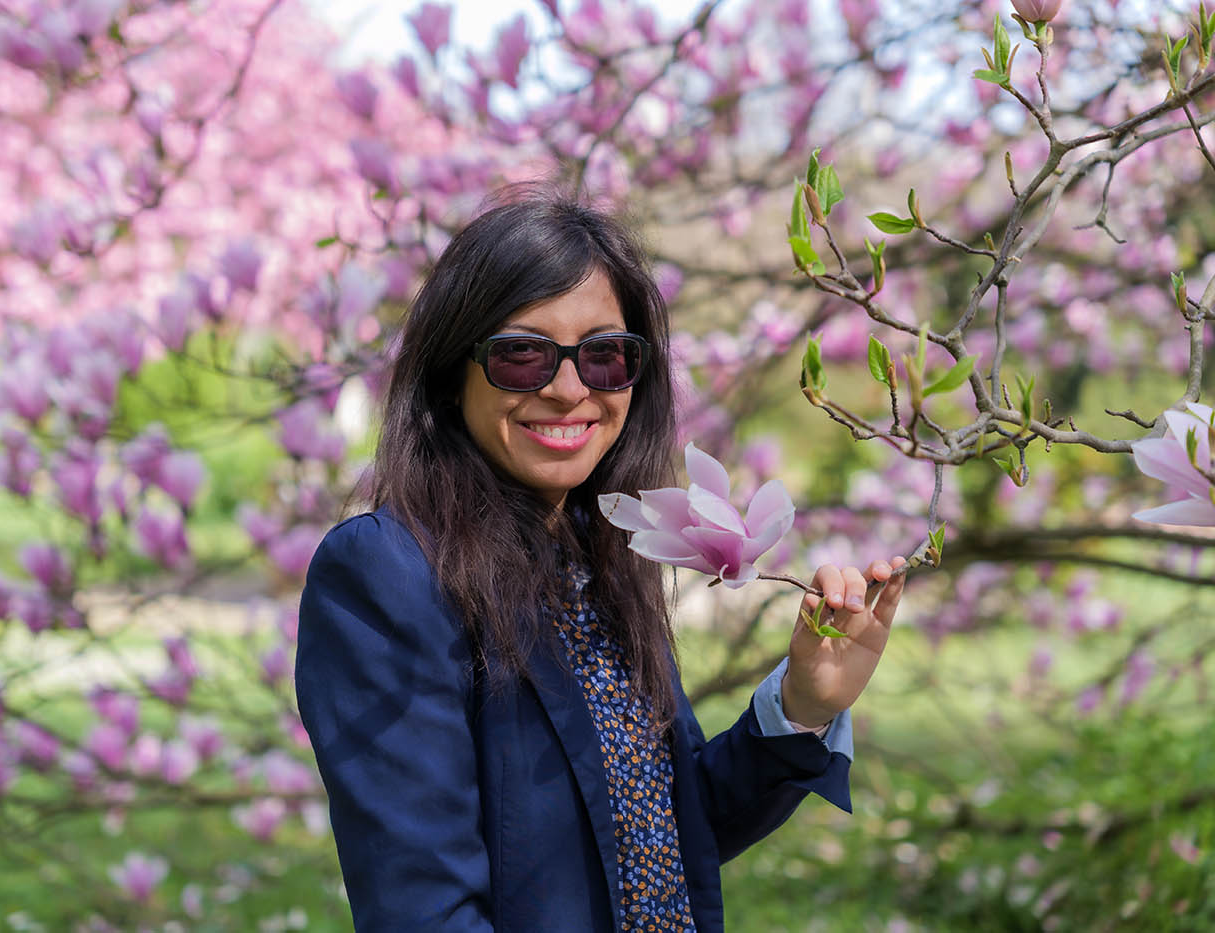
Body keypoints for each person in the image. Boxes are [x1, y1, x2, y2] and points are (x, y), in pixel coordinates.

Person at [295, 187, 907, 933]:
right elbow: (423, 909)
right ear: (454, 373)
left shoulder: (607, 556)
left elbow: (663, 837)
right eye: (521, 354)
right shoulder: (391, 573)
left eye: (603, 355)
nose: (568, 389)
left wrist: (806, 705)